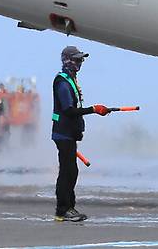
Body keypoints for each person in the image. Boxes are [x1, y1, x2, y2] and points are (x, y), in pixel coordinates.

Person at [52, 46, 109, 222]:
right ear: (68, 60)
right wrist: (93, 109)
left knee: (72, 171)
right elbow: (69, 110)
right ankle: (63, 210)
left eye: (81, 60)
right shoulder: (63, 82)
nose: (80, 63)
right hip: (63, 134)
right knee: (67, 172)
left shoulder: (70, 80)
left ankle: (69, 207)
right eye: (77, 60)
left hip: (68, 134)